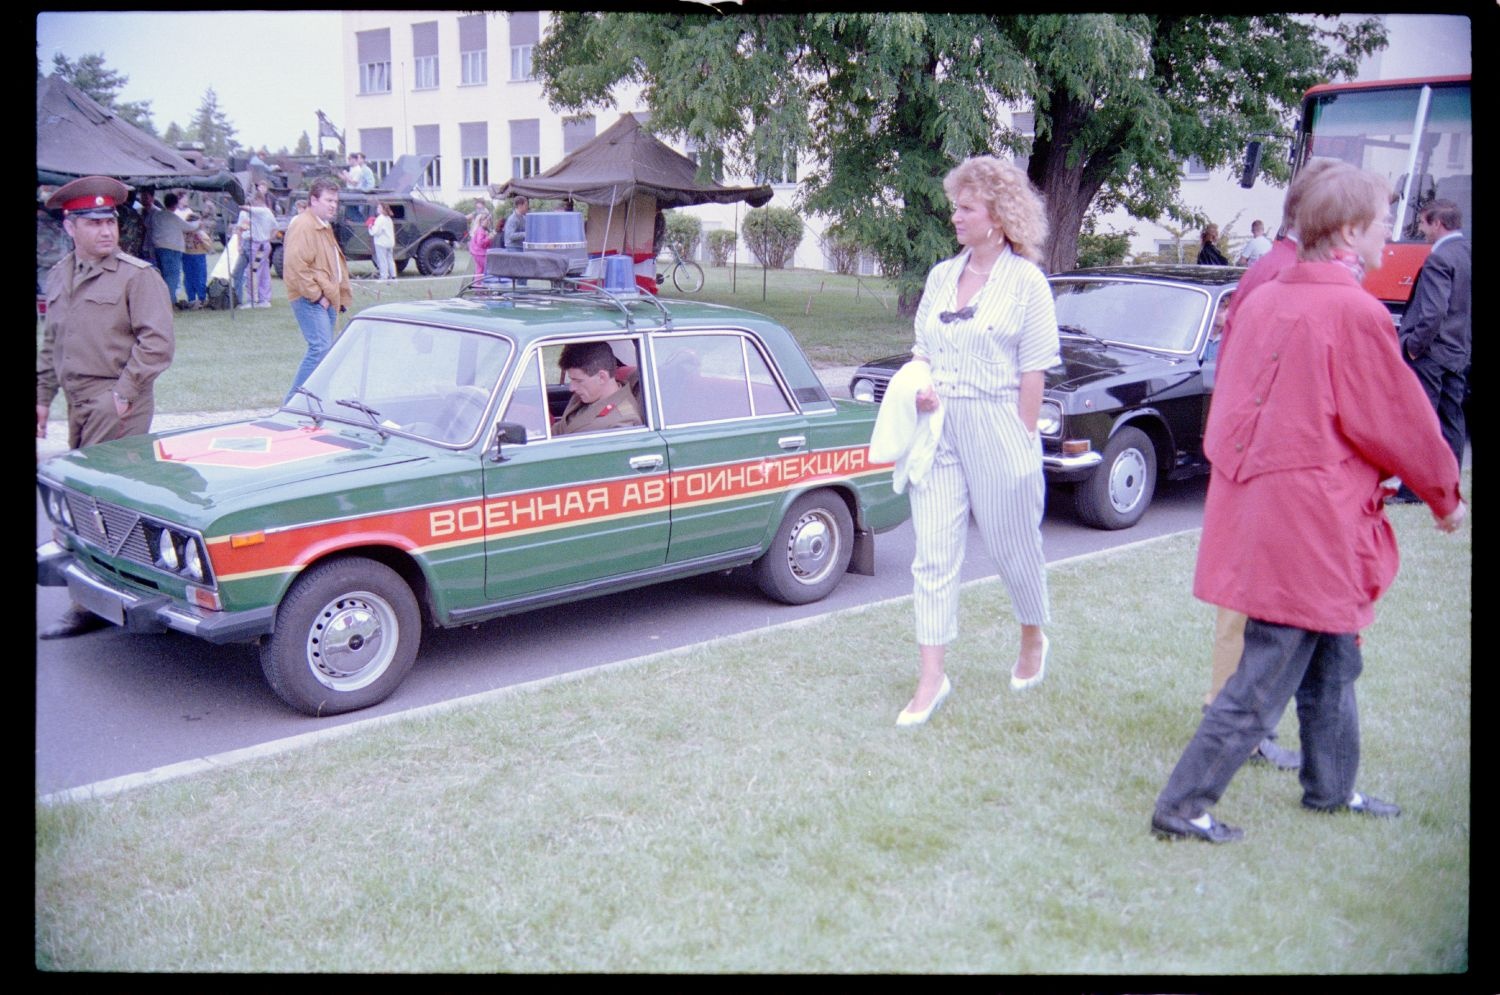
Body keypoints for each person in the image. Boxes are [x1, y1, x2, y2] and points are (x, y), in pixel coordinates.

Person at [1151, 162, 1466, 844]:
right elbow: (1400, 418)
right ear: (1349, 231)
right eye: (1384, 218)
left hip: (1271, 508)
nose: (1393, 228)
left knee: (1334, 656)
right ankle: (1182, 805)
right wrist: (1444, 494)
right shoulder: (1353, 311)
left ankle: (1331, 788)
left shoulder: (1266, 297)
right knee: (1266, 669)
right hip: (1311, 520)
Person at [896, 155, 1060, 727]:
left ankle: (1032, 635)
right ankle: (931, 677)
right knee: (933, 554)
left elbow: (1035, 373)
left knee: (1014, 547)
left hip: (999, 427)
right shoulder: (943, 275)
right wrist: (919, 389)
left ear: (998, 214)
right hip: (938, 431)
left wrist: (1019, 441)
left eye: (966, 208)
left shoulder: (1027, 284)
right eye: (955, 207)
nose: (956, 217)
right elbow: (922, 351)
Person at [1200, 157, 1342, 771]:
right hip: (1257, 458)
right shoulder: (1280, 274)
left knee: (1254, 595)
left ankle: (1240, 714)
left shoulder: (1280, 270)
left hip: (1255, 455)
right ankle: (1234, 717)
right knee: (1246, 598)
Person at [36, 176, 175, 639]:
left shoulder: (137, 276)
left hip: (117, 402)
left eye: (110, 221)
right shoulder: (60, 275)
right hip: (78, 403)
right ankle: (106, 596)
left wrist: (123, 392)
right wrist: (42, 397)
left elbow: (157, 344)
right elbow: (53, 341)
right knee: (90, 500)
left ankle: (100, 602)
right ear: (69, 226)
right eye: (93, 222)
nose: (105, 231)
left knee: (99, 502)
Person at [1395, 199, 1470, 479]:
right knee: (1452, 418)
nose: (1422, 229)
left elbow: (1433, 311)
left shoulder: (1440, 258)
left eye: (1424, 223)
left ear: (1437, 224)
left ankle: (1413, 487)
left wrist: (1414, 346)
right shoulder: (1466, 252)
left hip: (1430, 352)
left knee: (1421, 420)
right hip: (1458, 350)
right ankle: (1447, 480)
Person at [282, 178, 352, 400]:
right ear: (313, 199)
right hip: (311, 299)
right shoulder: (303, 225)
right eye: (328, 200)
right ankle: (294, 402)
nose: (333, 205)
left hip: (326, 298)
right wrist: (317, 296)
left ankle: (316, 402)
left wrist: (336, 296)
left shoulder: (323, 225)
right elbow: (296, 267)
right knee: (320, 348)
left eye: (335, 201)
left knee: (325, 353)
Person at [552, 341, 643, 434]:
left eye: (579, 381)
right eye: (572, 380)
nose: (571, 388)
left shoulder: (624, 422)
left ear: (601, 377)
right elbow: (563, 426)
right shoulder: (585, 395)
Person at [149, 191, 202, 307]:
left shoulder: (157, 215)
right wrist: (198, 222)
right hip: (172, 249)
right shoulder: (173, 217)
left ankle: (160, 301)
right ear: (176, 204)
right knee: (172, 277)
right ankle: (170, 302)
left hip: (158, 248)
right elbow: (189, 227)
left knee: (161, 276)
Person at [178, 197, 212, 310]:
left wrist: (200, 239)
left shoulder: (202, 234)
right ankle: (191, 299)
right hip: (187, 256)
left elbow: (208, 247)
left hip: (199, 256)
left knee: (200, 278)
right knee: (188, 278)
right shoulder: (184, 234)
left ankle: (201, 298)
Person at [372, 201, 397, 281]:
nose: (377, 209)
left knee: (382, 260)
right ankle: (393, 276)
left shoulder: (380, 219)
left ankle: (384, 277)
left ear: (382, 209)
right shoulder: (388, 218)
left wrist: (370, 227)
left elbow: (376, 232)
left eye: (379, 208)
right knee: (390, 259)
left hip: (381, 243)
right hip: (390, 243)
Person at [468, 210, 493, 278]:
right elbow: (480, 243)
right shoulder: (481, 230)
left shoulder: (482, 230)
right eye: (487, 221)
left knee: (479, 270)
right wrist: (489, 238)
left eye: (489, 221)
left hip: (476, 253)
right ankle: (485, 284)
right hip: (480, 253)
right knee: (487, 268)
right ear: (482, 221)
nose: (488, 222)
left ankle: (478, 286)